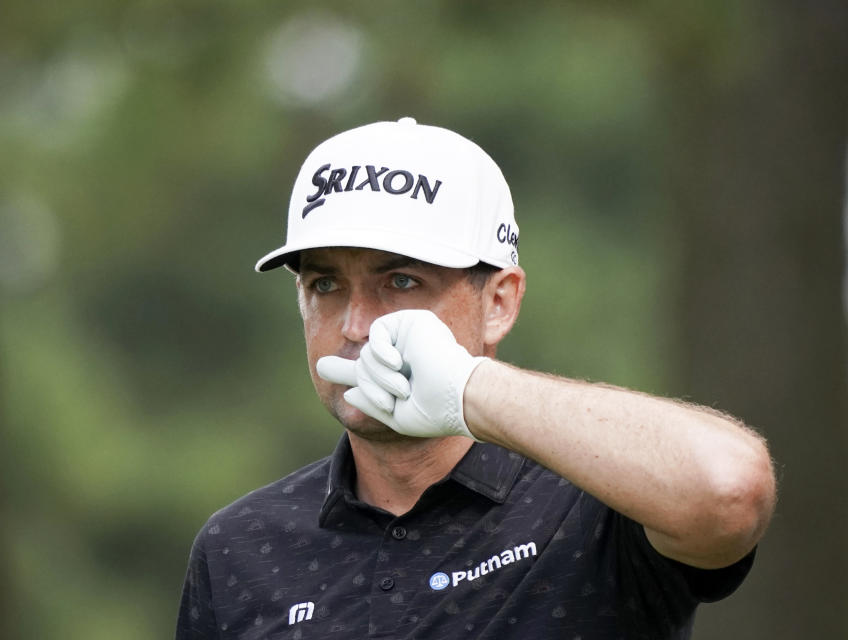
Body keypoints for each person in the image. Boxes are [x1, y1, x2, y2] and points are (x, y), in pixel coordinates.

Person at [175, 117, 776, 639]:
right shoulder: (240, 547)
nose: (356, 325)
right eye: (324, 285)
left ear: (499, 303)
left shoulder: (599, 504)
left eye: (401, 281)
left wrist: (467, 389)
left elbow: (728, 490)